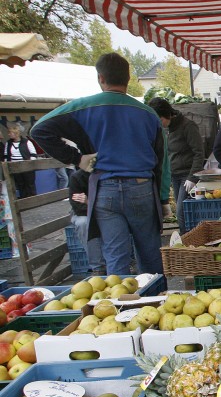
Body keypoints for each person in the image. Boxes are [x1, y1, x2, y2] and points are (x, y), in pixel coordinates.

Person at [31, 52, 165, 275]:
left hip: (105, 189)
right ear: (128, 78)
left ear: (101, 78)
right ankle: (157, 294)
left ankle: (120, 298)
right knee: (150, 255)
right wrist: (163, 198)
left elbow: (39, 130)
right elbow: (161, 161)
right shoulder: (148, 113)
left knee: (116, 256)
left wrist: (76, 159)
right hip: (142, 188)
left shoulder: (82, 107)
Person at [148, 98, 203, 235]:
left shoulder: (188, 126)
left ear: (168, 114)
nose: (159, 123)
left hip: (187, 175)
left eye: (160, 119)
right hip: (174, 175)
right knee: (182, 212)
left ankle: (186, 240)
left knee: (181, 211)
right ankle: (187, 237)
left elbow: (199, 153)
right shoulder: (165, 130)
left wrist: (192, 177)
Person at [68, 168, 105, 274]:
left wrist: (89, 202)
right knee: (83, 223)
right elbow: (78, 208)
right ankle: (98, 267)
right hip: (86, 213)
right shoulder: (76, 177)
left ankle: (127, 261)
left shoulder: (108, 173)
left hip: (105, 211)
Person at [2, 123, 38, 198]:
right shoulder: (8, 143)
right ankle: (23, 200)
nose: (9, 134)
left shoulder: (27, 142)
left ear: (16, 133)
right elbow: (6, 155)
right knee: (20, 184)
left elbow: (33, 154)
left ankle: (33, 199)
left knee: (29, 184)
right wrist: (6, 165)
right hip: (14, 167)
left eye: (10, 133)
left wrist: (29, 164)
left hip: (26, 166)